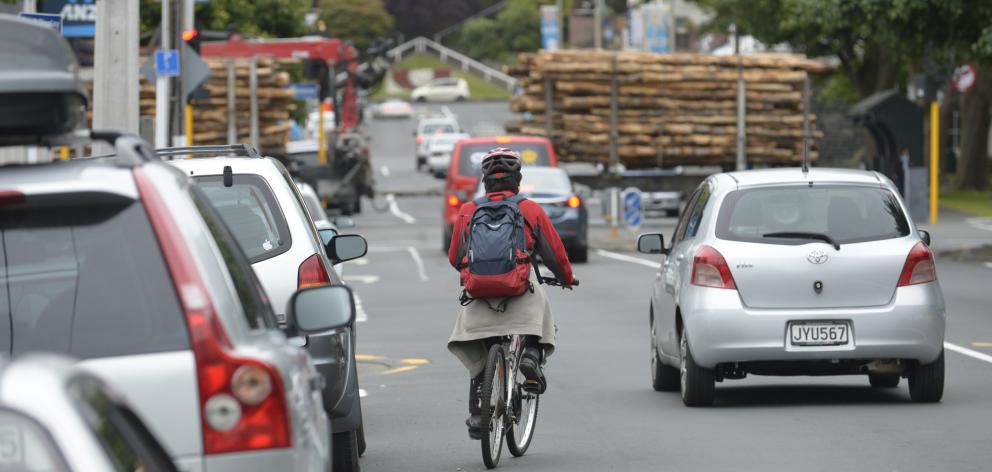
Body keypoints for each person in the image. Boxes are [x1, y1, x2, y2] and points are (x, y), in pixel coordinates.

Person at [446, 147, 576, 440]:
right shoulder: (529, 209)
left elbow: (455, 257)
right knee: (540, 306)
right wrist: (566, 278)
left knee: (480, 350)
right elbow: (554, 254)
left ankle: (480, 408)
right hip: (520, 289)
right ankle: (531, 353)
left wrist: (476, 274)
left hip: (479, 294)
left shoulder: (468, 211)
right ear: (517, 179)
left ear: (485, 180)